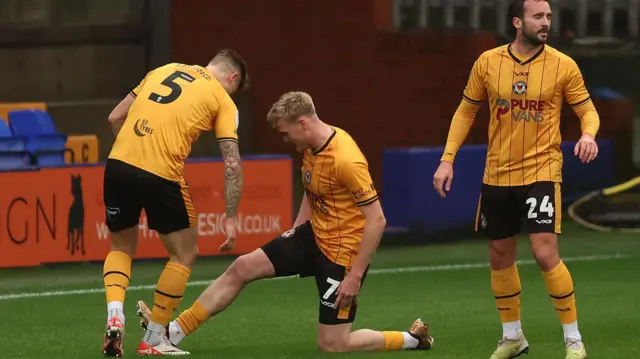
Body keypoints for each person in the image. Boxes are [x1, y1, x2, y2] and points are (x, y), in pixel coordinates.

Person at [136, 91, 435, 354]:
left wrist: (354, 277)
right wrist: (295, 231)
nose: (285, 139)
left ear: (303, 123)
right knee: (242, 267)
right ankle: (172, 333)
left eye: (286, 132)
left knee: (333, 345)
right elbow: (313, 191)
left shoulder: (346, 160)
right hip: (313, 236)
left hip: (341, 258)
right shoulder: (309, 147)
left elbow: (377, 220)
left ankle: (412, 339)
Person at [433, 1, 599, 359]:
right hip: (498, 172)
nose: (546, 23)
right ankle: (513, 338)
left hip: (542, 169)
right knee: (499, 255)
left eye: (549, 17)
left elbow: (587, 109)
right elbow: (466, 110)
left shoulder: (562, 65)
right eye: (538, 17)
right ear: (517, 21)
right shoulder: (488, 62)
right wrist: (447, 159)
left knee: (544, 252)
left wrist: (588, 135)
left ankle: (573, 341)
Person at [101, 49, 249, 357]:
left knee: (120, 249)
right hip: (161, 173)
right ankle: (155, 338)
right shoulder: (223, 100)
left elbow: (115, 116)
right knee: (185, 254)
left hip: (117, 164)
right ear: (232, 77)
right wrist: (231, 216)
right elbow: (232, 163)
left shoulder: (162, 69)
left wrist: (132, 156)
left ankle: (115, 312)